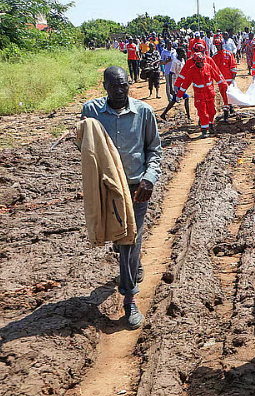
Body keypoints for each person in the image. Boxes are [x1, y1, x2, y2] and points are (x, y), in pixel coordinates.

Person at [80, 66, 162, 328]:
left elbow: (155, 151)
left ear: (130, 84)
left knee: (129, 239)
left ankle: (129, 298)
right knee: (116, 235)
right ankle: (132, 264)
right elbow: (84, 144)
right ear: (104, 86)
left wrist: (149, 178)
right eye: (113, 86)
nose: (119, 90)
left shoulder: (144, 112)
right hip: (107, 187)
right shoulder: (91, 113)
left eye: (123, 85)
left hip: (137, 187)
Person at [176, 52, 227, 138]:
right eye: (198, 63)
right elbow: (185, 84)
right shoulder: (191, 70)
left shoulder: (208, 67)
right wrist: (178, 95)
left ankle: (211, 125)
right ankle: (204, 130)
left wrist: (225, 86)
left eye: (201, 62)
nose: (200, 64)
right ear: (195, 62)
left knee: (211, 111)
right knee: (202, 113)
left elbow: (217, 77)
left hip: (210, 94)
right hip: (199, 95)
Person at [160, 47, 190, 121]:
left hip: (181, 82)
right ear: (179, 54)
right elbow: (170, 74)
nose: (185, 54)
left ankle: (163, 114)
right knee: (186, 97)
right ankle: (188, 116)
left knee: (174, 100)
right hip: (176, 83)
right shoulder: (175, 62)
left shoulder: (182, 60)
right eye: (183, 53)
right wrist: (171, 88)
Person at [212, 38, 238, 121]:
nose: (217, 47)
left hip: (229, 79)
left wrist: (233, 79)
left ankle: (226, 115)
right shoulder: (215, 56)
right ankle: (230, 109)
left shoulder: (229, 54)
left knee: (228, 96)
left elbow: (233, 66)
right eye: (216, 46)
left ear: (222, 44)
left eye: (219, 45)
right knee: (224, 96)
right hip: (221, 80)